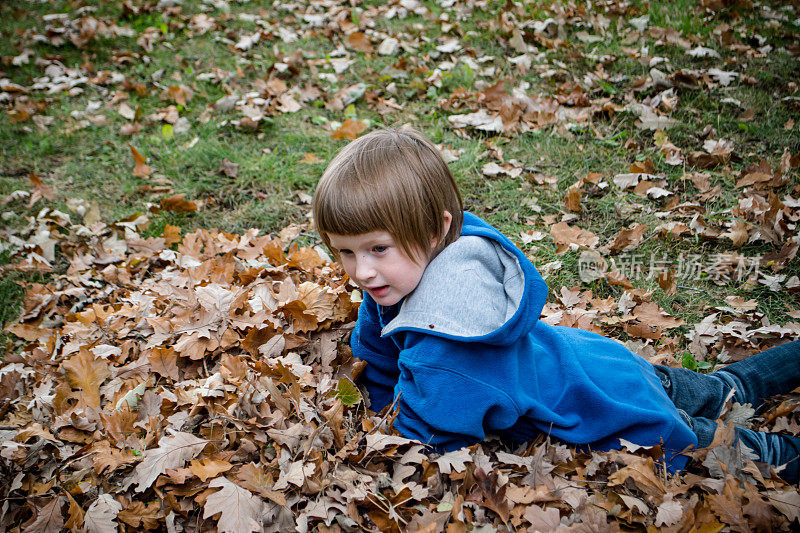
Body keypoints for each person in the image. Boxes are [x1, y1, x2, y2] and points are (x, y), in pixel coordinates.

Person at [311, 127, 800, 482]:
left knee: (742, 452)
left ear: (437, 228)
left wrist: (382, 441)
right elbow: (377, 348)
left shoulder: (449, 340)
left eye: (377, 249)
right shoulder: (404, 271)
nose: (361, 271)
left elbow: (430, 434)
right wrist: (375, 396)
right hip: (597, 362)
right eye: (346, 251)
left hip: (618, 415)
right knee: (723, 387)